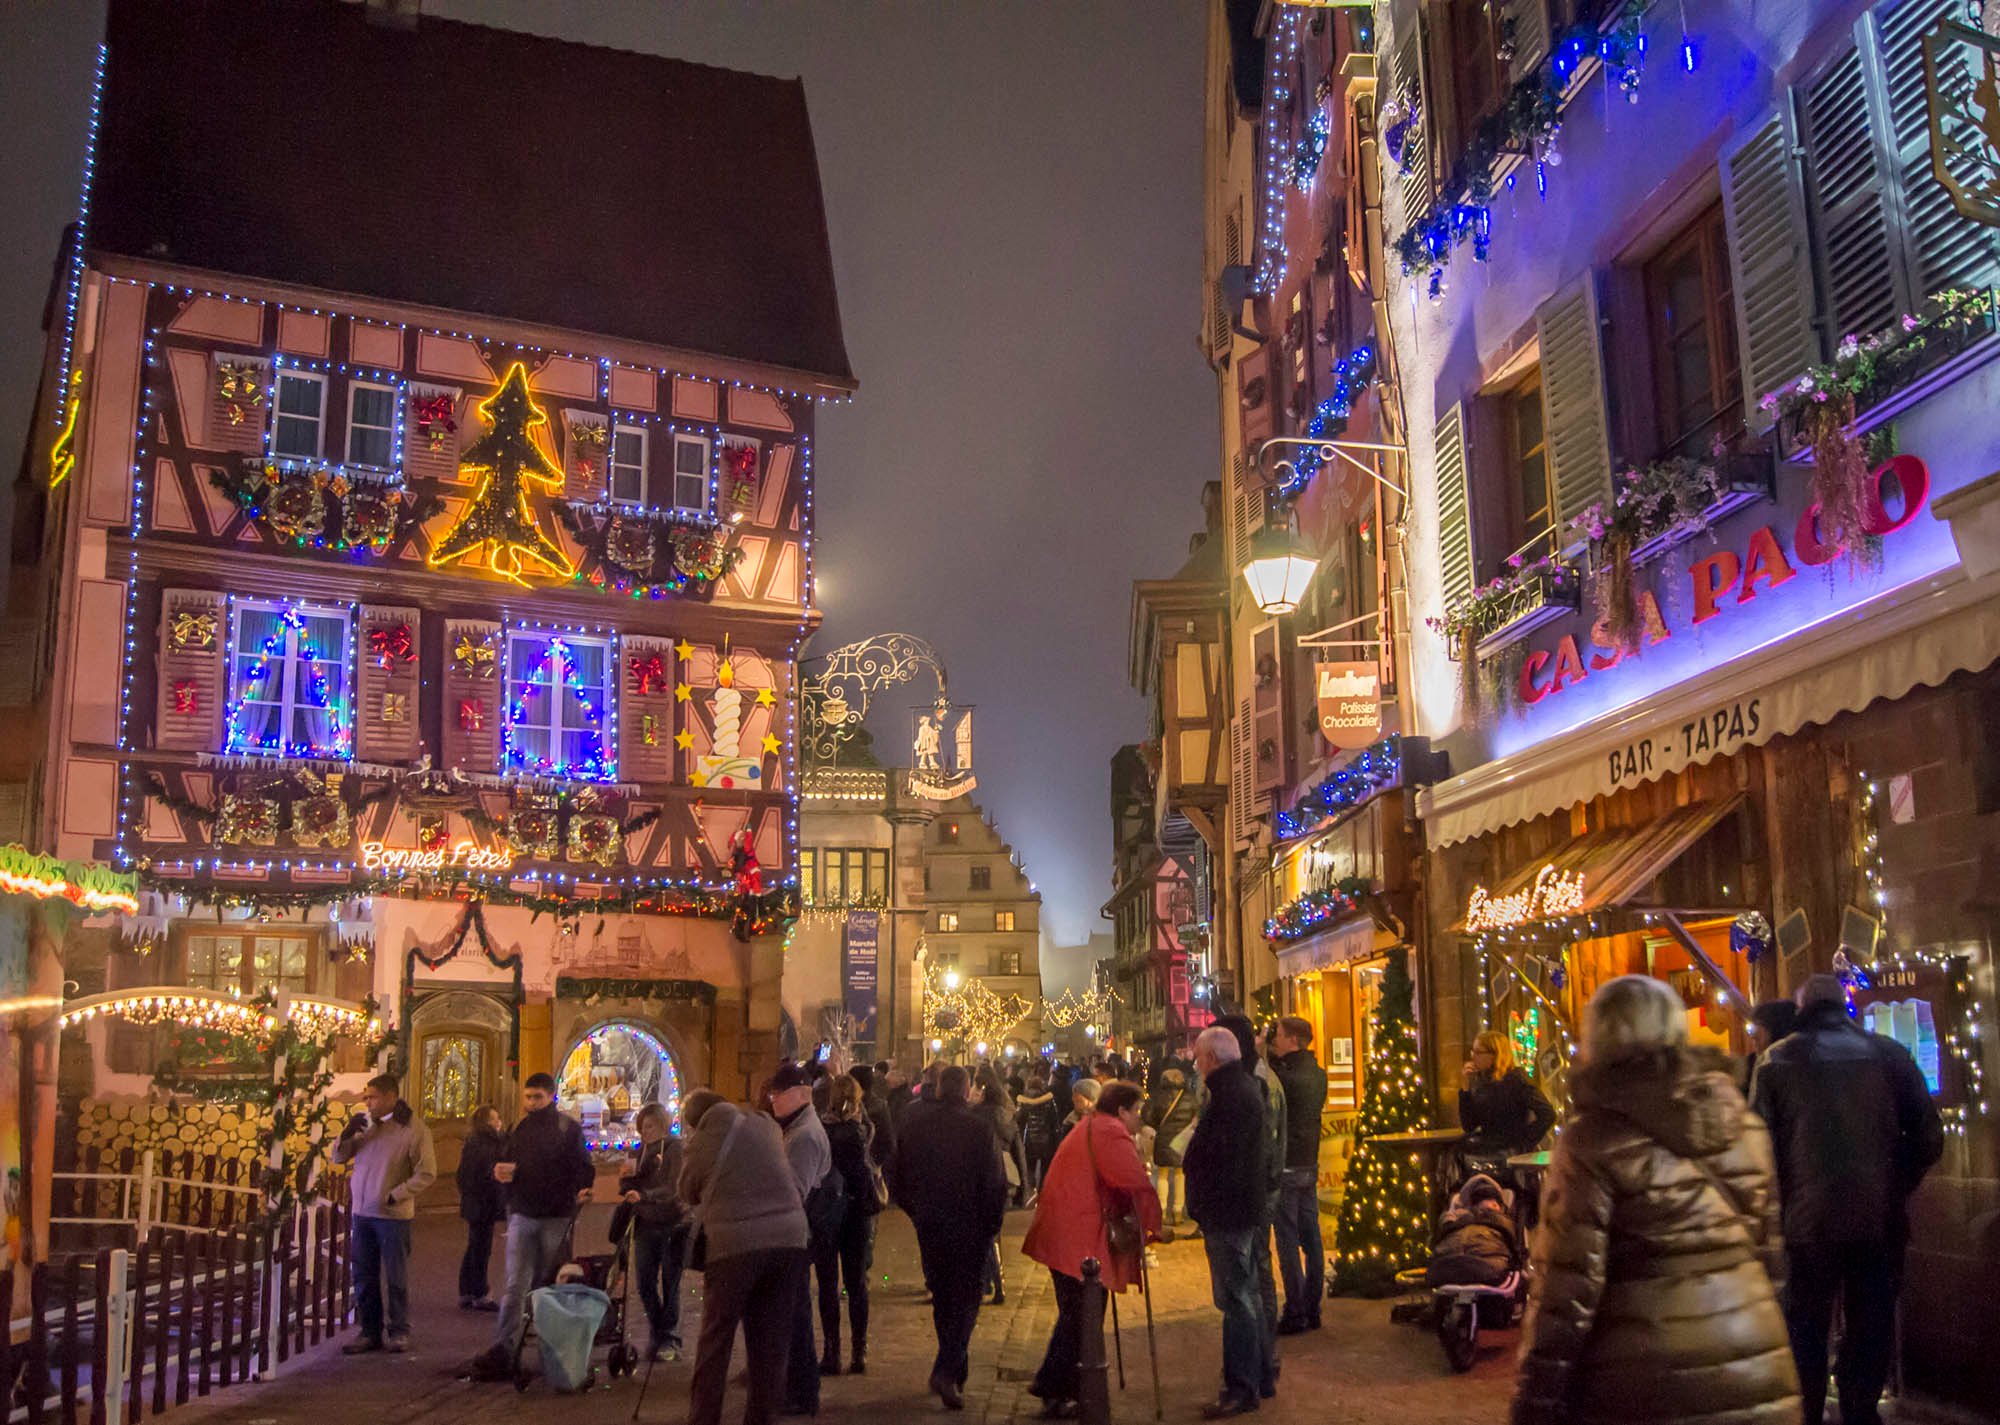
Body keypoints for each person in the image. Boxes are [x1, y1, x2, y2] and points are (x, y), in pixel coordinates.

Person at [1512, 975, 1799, 1425]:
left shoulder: (1592, 1139)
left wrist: (1536, 1403)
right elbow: (1770, 1258)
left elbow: (1565, 1296)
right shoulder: (1741, 1123)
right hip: (1755, 1357)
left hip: (1644, 1379)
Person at [1753, 974, 1944, 1425]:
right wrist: (1896, 1183)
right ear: (1844, 1005)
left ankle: (1809, 1414)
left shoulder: (1776, 1062)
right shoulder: (1890, 1055)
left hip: (1805, 1225)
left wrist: (1776, 1207)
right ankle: (1860, 1410)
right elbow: (1929, 1137)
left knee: (1805, 1330)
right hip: (1879, 1221)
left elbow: (1758, 1148)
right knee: (1870, 1327)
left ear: (1802, 1009)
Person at [1021, 1081, 1164, 1417]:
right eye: (1136, 1112)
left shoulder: (1091, 1126)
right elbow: (1133, 1181)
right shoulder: (1110, 1133)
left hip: (1065, 1230)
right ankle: (1054, 1385)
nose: (1138, 1119)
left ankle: (1063, 1388)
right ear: (1122, 1111)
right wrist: (1152, 1223)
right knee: (1082, 1316)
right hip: (1079, 1235)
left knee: (1077, 1315)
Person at [679, 1089, 810, 1425]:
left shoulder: (703, 1141)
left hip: (735, 1246)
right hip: (790, 1240)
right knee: (770, 1340)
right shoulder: (764, 1123)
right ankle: (762, 1417)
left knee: (716, 1338)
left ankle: (704, 1418)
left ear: (695, 1122)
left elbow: (687, 1190)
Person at [890, 1064, 1008, 1410]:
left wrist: (916, 1211)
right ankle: (948, 1368)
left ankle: (953, 1367)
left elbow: (898, 1175)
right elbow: (994, 1182)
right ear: (967, 1088)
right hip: (970, 1224)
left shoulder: (917, 1125)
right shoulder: (979, 1128)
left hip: (932, 1223)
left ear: (940, 1088)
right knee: (967, 1298)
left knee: (943, 1296)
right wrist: (991, 1223)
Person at [480, 1072, 595, 1373]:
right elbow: (507, 1163)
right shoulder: (519, 1128)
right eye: (528, 1097)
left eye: (538, 1097)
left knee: (551, 1286)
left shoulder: (566, 1128)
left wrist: (580, 1190)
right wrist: (503, 1177)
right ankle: (505, 1348)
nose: (532, 1103)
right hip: (523, 1213)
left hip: (555, 1215)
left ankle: (552, 1352)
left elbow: (583, 1166)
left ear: (550, 1097)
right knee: (515, 1284)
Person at [1181, 1026, 1269, 1419]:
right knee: (1243, 1295)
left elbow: (1218, 1156)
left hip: (1229, 1211)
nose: (1196, 1065)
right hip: (1237, 1208)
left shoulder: (1230, 1096)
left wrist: (1196, 1166)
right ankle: (1256, 1375)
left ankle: (1242, 1387)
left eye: (1199, 1058)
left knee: (1237, 1299)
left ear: (1213, 1059)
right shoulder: (1241, 1089)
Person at [333, 1074, 436, 1354]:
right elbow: (339, 1157)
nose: (368, 1102)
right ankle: (369, 1331)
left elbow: (426, 1172)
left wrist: (396, 1194)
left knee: (395, 1275)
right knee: (363, 1274)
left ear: (391, 1096)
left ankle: (399, 1330)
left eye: (373, 1097)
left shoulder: (413, 1129)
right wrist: (345, 1135)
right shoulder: (366, 1125)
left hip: (392, 1215)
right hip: (363, 1212)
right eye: (366, 1097)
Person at [768, 1063, 832, 1417]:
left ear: (796, 1094)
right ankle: (796, 1386)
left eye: (776, 1094)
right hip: (795, 1231)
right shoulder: (797, 1128)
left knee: (795, 1314)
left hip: (796, 1233)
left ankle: (802, 1390)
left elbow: (793, 1190)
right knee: (792, 1313)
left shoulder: (804, 1135)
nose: (772, 1101)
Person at [815, 1074, 881, 1376]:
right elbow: (865, 1175)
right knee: (856, 1285)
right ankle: (859, 1350)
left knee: (828, 1285)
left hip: (826, 1214)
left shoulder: (820, 1130)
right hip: (855, 1214)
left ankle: (831, 1351)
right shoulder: (860, 1132)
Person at [1266, 1018, 1328, 1333]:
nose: (1273, 1040)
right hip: (1309, 1162)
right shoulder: (1318, 1074)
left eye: (1277, 1035)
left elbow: (1270, 1087)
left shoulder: (1284, 1077)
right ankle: (1313, 1307)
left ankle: (1296, 1310)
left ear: (1292, 1039)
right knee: (1312, 1238)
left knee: (1288, 1240)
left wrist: (1266, 1053)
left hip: (1288, 1165)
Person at [619, 1102, 688, 1361]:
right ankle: (659, 1331)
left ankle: (669, 1337)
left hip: (671, 1223)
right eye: (642, 1127)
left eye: (649, 1126)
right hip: (645, 1223)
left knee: (671, 1281)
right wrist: (625, 1181)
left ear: (662, 1124)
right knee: (645, 1282)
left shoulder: (675, 1148)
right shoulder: (639, 1152)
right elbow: (630, 1187)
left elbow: (673, 1186)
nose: (645, 1131)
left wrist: (645, 1194)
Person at [1458, 1030, 1556, 1174]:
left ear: (1494, 1055)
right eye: (1472, 1051)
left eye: (1478, 1052)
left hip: (1510, 1149)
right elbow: (1469, 1125)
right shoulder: (1481, 1081)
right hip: (1487, 1146)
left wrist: (1524, 1142)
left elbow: (1547, 1114)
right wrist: (1465, 1090)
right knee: (1456, 1155)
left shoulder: (1516, 1079)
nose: (1473, 1057)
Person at [455, 1104, 505, 1312]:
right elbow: (487, 1174)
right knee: (481, 1248)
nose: (499, 1122)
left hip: (475, 1201)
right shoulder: (487, 1144)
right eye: (495, 1118)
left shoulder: (474, 1141)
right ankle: (479, 1292)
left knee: (475, 1245)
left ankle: (467, 1290)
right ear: (487, 1122)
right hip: (483, 1201)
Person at [1141, 1068, 1195, 1227]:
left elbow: (1147, 1116)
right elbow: (1197, 1115)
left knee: (1162, 1175)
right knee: (1180, 1174)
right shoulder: (1189, 1098)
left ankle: (1162, 1210)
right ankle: (1178, 1211)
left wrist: (1156, 1126)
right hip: (1183, 1141)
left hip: (1163, 1139)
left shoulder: (1157, 1097)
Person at [1016, 1072, 1061, 1197]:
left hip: (1029, 1139)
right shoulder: (1049, 1100)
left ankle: (1030, 1192)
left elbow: (1019, 1119)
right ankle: (1043, 1192)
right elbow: (1054, 1120)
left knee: (1029, 1167)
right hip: (1046, 1140)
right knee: (1045, 1168)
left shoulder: (1024, 1100)